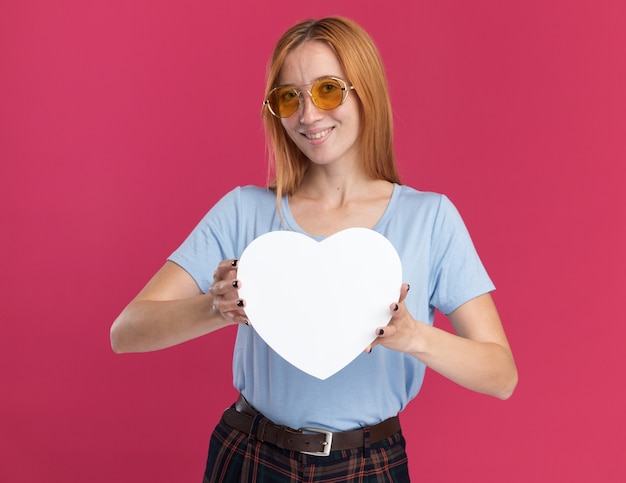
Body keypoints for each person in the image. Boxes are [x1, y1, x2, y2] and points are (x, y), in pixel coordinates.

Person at [110, 16, 518, 482]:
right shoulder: (244, 211)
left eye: (327, 90)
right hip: (249, 456)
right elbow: (126, 332)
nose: (308, 116)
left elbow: (500, 375)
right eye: (289, 98)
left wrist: (414, 337)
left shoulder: (430, 219)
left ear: (365, 92)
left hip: (371, 464)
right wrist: (215, 308)